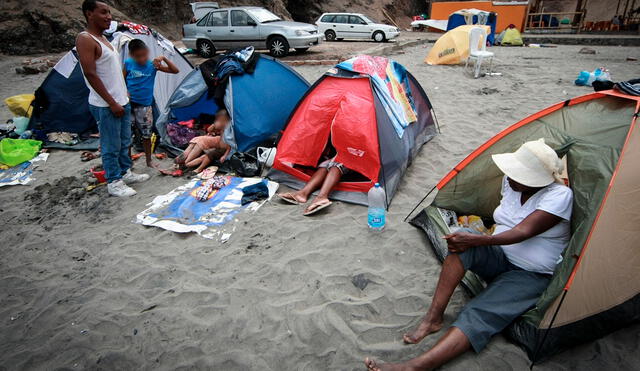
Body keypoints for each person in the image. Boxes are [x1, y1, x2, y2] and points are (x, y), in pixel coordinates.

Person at [365, 139, 573, 371]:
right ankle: (433, 318)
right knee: (462, 239)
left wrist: (480, 239)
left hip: (530, 274)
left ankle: (417, 366)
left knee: (479, 310)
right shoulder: (511, 184)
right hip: (500, 257)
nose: (509, 176)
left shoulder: (559, 196)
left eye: (518, 175)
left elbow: (524, 231)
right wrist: (472, 238)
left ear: (535, 181)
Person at [76, 0, 149, 197]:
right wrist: (111, 102)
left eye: (109, 12)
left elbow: (112, 71)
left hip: (121, 100)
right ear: (89, 14)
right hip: (106, 105)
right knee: (110, 144)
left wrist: (123, 93)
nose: (109, 17)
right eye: (103, 12)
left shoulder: (103, 38)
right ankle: (114, 181)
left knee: (125, 140)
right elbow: (91, 74)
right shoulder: (85, 39)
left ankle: (125, 172)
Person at [123, 39, 179, 167]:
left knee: (146, 135)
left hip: (145, 106)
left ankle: (149, 160)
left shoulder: (153, 65)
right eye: (138, 56)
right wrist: (125, 92)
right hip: (129, 104)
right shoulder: (128, 64)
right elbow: (121, 79)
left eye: (144, 55)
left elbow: (175, 70)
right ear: (131, 55)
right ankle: (127, 162)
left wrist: (163, 58)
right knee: (127, 135)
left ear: (147, 53)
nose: (142, 59)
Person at [277, 142, 351, 216]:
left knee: (337, 164)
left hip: (356, 155)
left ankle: (322, 197)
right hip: (343, 150)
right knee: (325, 165)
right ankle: (303, 193)